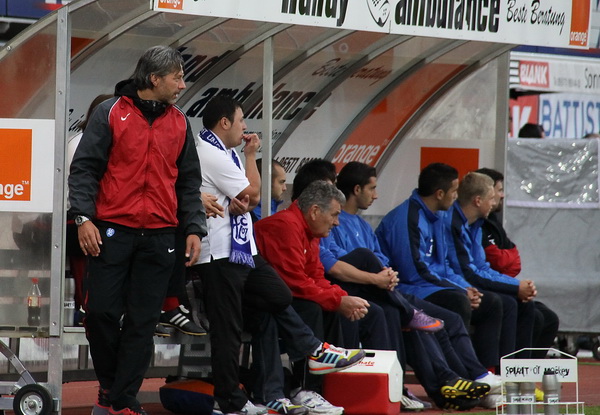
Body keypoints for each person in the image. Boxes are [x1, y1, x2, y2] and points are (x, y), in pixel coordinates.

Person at [193, 96, 364, 415]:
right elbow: (253, 194)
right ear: (224, 123)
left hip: (241, 250)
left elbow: (243, 199)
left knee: (277, 297)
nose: (245, 127)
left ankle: (306, 358)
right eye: (241, 120)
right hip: (219, 254)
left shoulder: (224, 152)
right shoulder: (210, 152)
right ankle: (231, 401)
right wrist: (251, 155)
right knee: (230, 330)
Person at [68, 46, 207, 415]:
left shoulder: (180, 122)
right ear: (154, 79)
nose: (182, 84)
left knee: (143, 323)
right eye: (177, 77)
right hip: (111, 231)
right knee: (100, 313)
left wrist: (194, 228)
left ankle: (123, 400)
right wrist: (83, 217)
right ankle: (114, 388)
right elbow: (84, 169)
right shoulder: (110, 112)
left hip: (161, 236)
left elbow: (189, 183)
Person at [322, 162, 500, 409]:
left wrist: (386, 275)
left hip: (388, 289)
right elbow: (407, 269)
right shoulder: (342, 222)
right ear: (357, 189)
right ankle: (439, 382)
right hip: (379, 290)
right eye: (372, 188)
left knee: (445, 319)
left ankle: (462, 382)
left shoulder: (363, 224)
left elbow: (393, 260)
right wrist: (379, 277)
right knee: (410, 315)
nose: (376, 195)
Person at [375, 163, 504, 374]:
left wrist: (464, 287)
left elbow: (444, 266)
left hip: (428, 284)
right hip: (408, 288)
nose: (456, 197)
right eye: (454, 191)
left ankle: (490, 370)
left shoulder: (438, 216)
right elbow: (413, 272)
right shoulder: (407, 218)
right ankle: (462, 373)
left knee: (492, 303)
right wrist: (459, 290)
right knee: (457, 301)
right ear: (440, 194)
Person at [445, 172, 537, 359]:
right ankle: (496, 369)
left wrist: (518, 286)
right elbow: (468, 274)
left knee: (528, 306)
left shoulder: (476, 225)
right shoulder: (453, 224)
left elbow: (482, 268)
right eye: (491, 199)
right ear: (478, 201)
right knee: (501, 303)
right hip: (454, 285)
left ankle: (520, 370)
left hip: (466, 283)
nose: (495, 203)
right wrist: (515, 287)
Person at [476, 168, 559, 360]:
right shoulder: (474, 226)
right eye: (499, 190)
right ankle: (510, 370)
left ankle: (530, 371)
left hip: (497, 282)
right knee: (527, 312)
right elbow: (495, 263)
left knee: (549, 318)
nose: (502, 195)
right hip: (484, 287)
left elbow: (513, 263)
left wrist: (516, 284)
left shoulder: (493, 222)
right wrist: (515, 286)